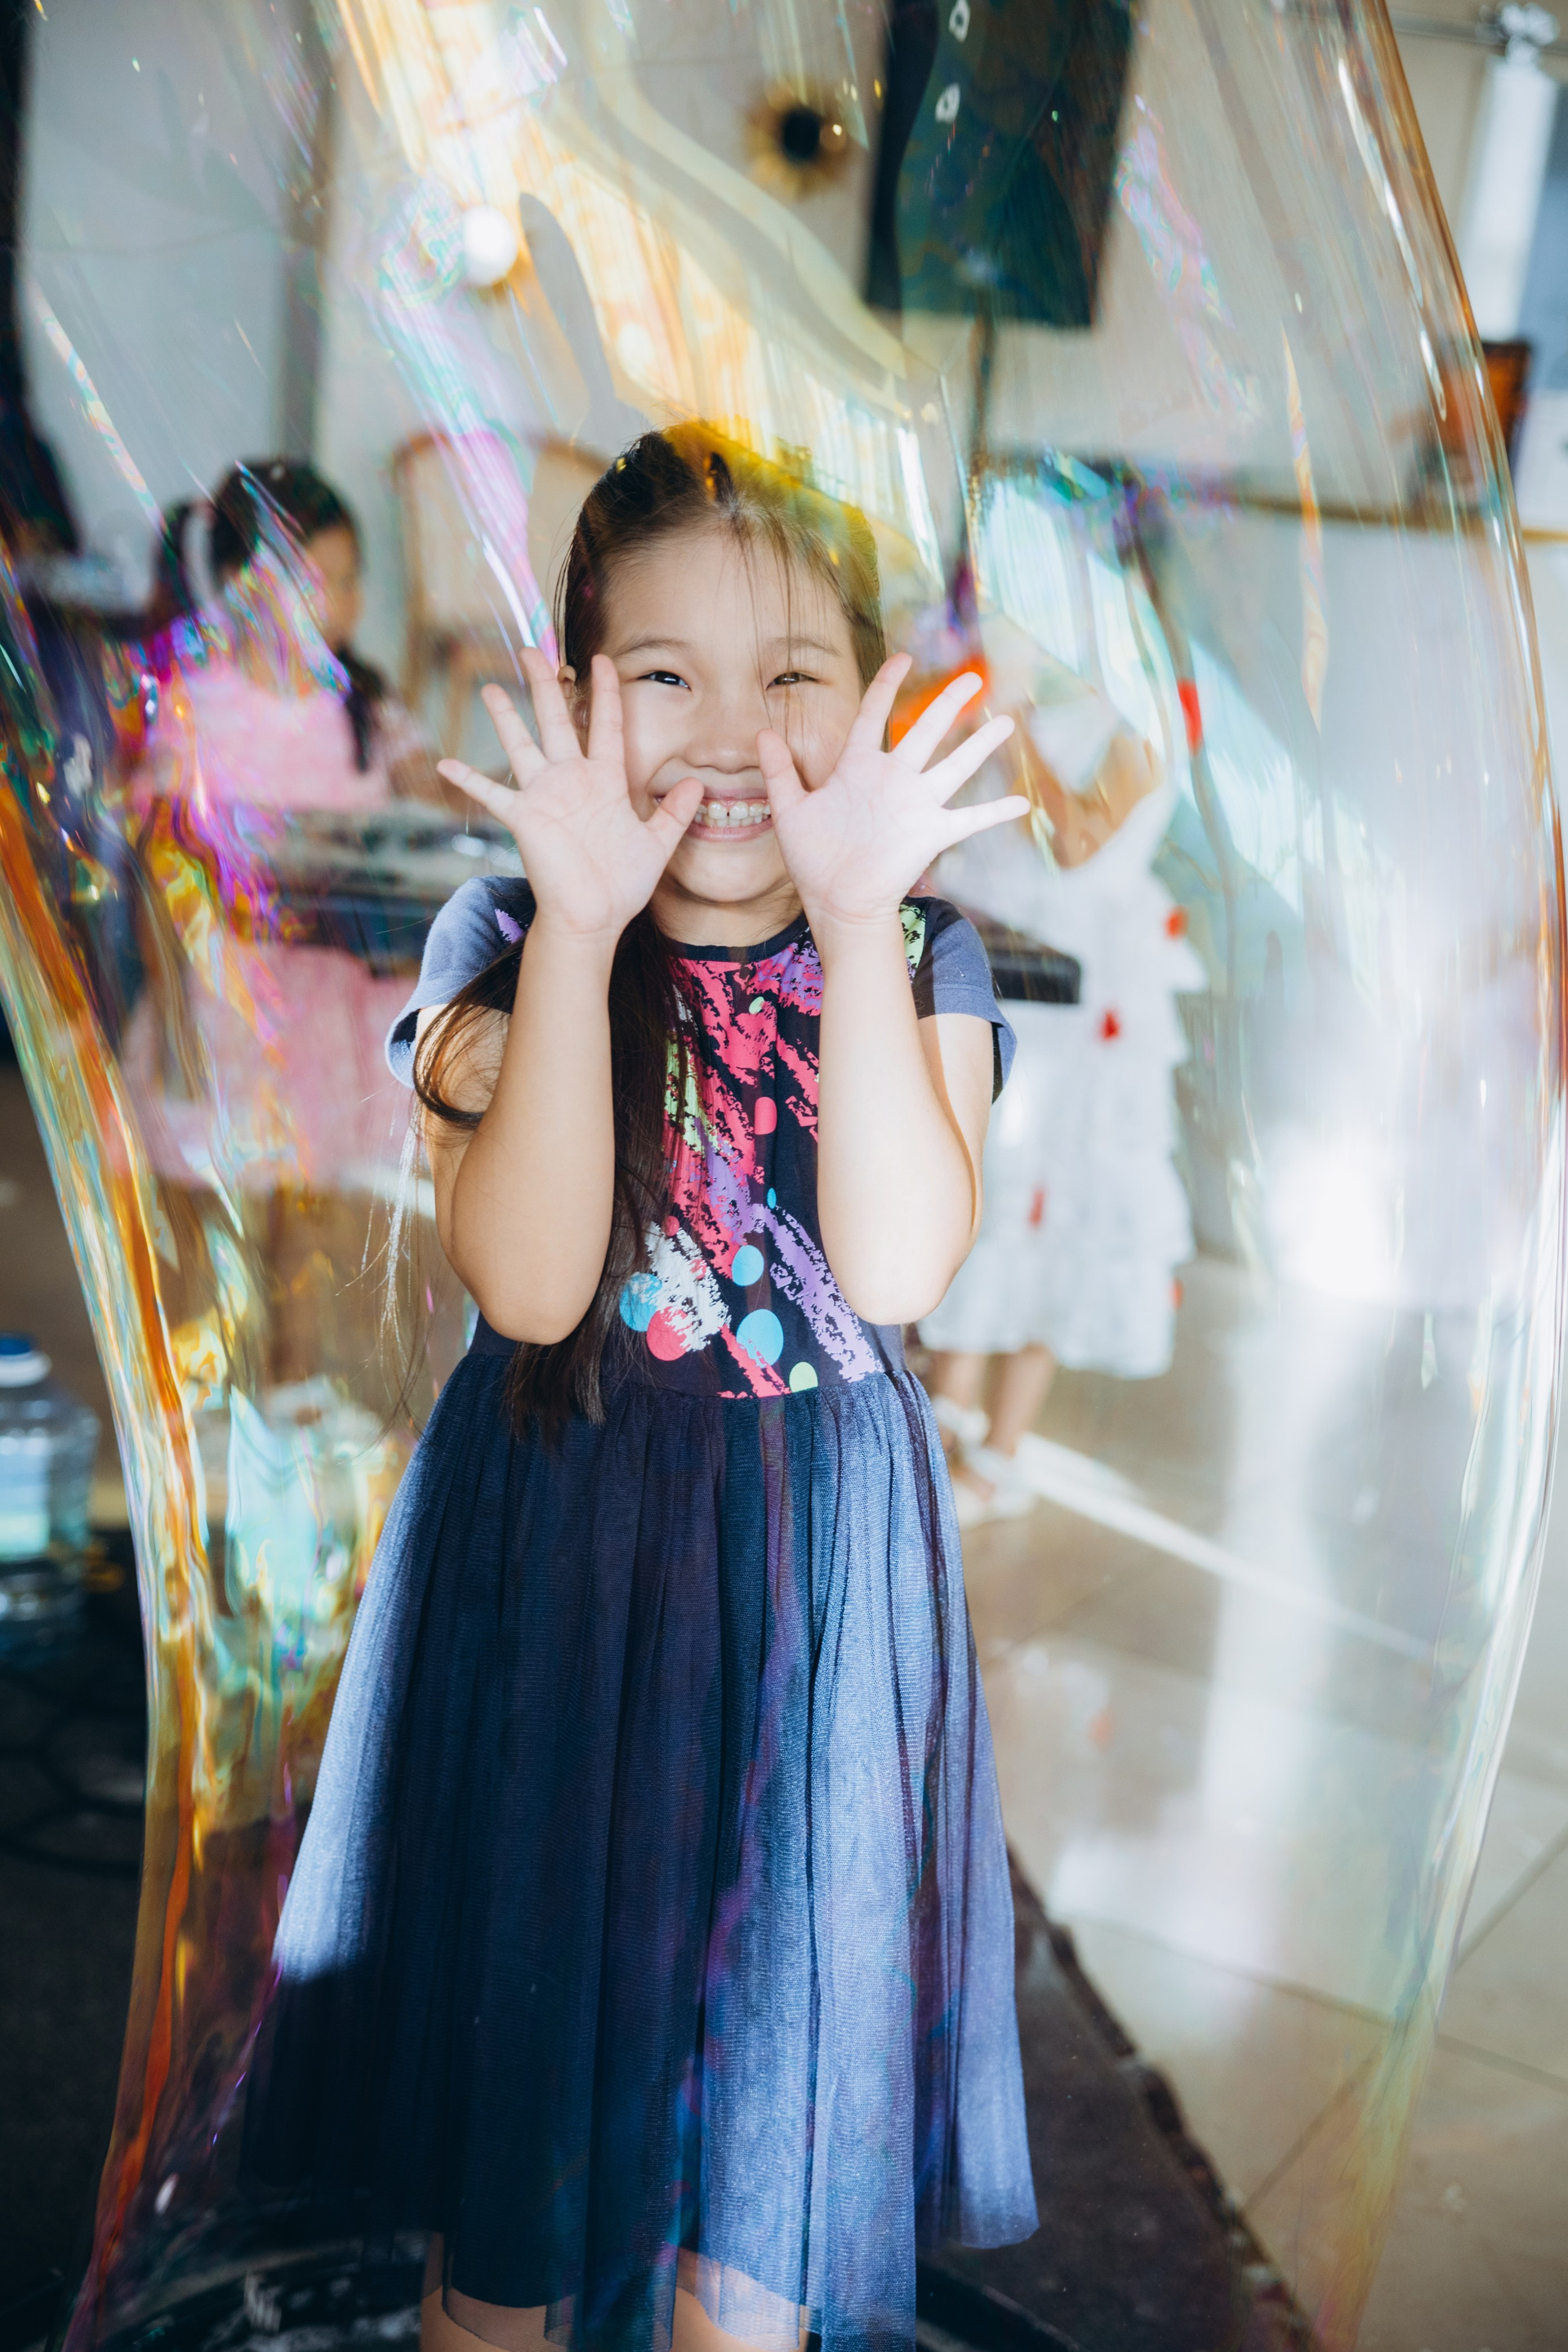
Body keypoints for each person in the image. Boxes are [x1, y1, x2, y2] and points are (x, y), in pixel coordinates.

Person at [242, 426, 1039, 2352]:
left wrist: (858, 918)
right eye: (667, 675)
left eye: (794, 676)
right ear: (579, 698)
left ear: (871, 705)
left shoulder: (924, 957)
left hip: (811, 1597)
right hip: (559, 1561)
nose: (732, 737)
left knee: (753, 2209)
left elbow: (896, 1270)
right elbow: (528, 1285)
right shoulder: (510, 940)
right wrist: (583, 923)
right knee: (511, 2200)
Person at [119, 463, 448, 1393]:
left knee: (307, 1209)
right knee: (217, 1209)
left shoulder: (365, 710)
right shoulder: (202, 711)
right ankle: (204, 1392)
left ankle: (292, 1387)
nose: (344, 601)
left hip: (328, 1012)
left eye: (350, 579)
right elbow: (159, 877)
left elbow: (434, 811)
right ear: (242, 587)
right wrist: (174, 1021)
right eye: (319, 580)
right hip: (227, 1010)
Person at [922, 703, 1205, 1524]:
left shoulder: (1146, 719)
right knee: (978, 1190)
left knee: (1052, 1208)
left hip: (1077, 995)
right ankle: (946, 1415)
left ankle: (1000, 1454)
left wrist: (1013, 736)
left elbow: (1077, 841)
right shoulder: (1020, 688)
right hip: (991, 952)